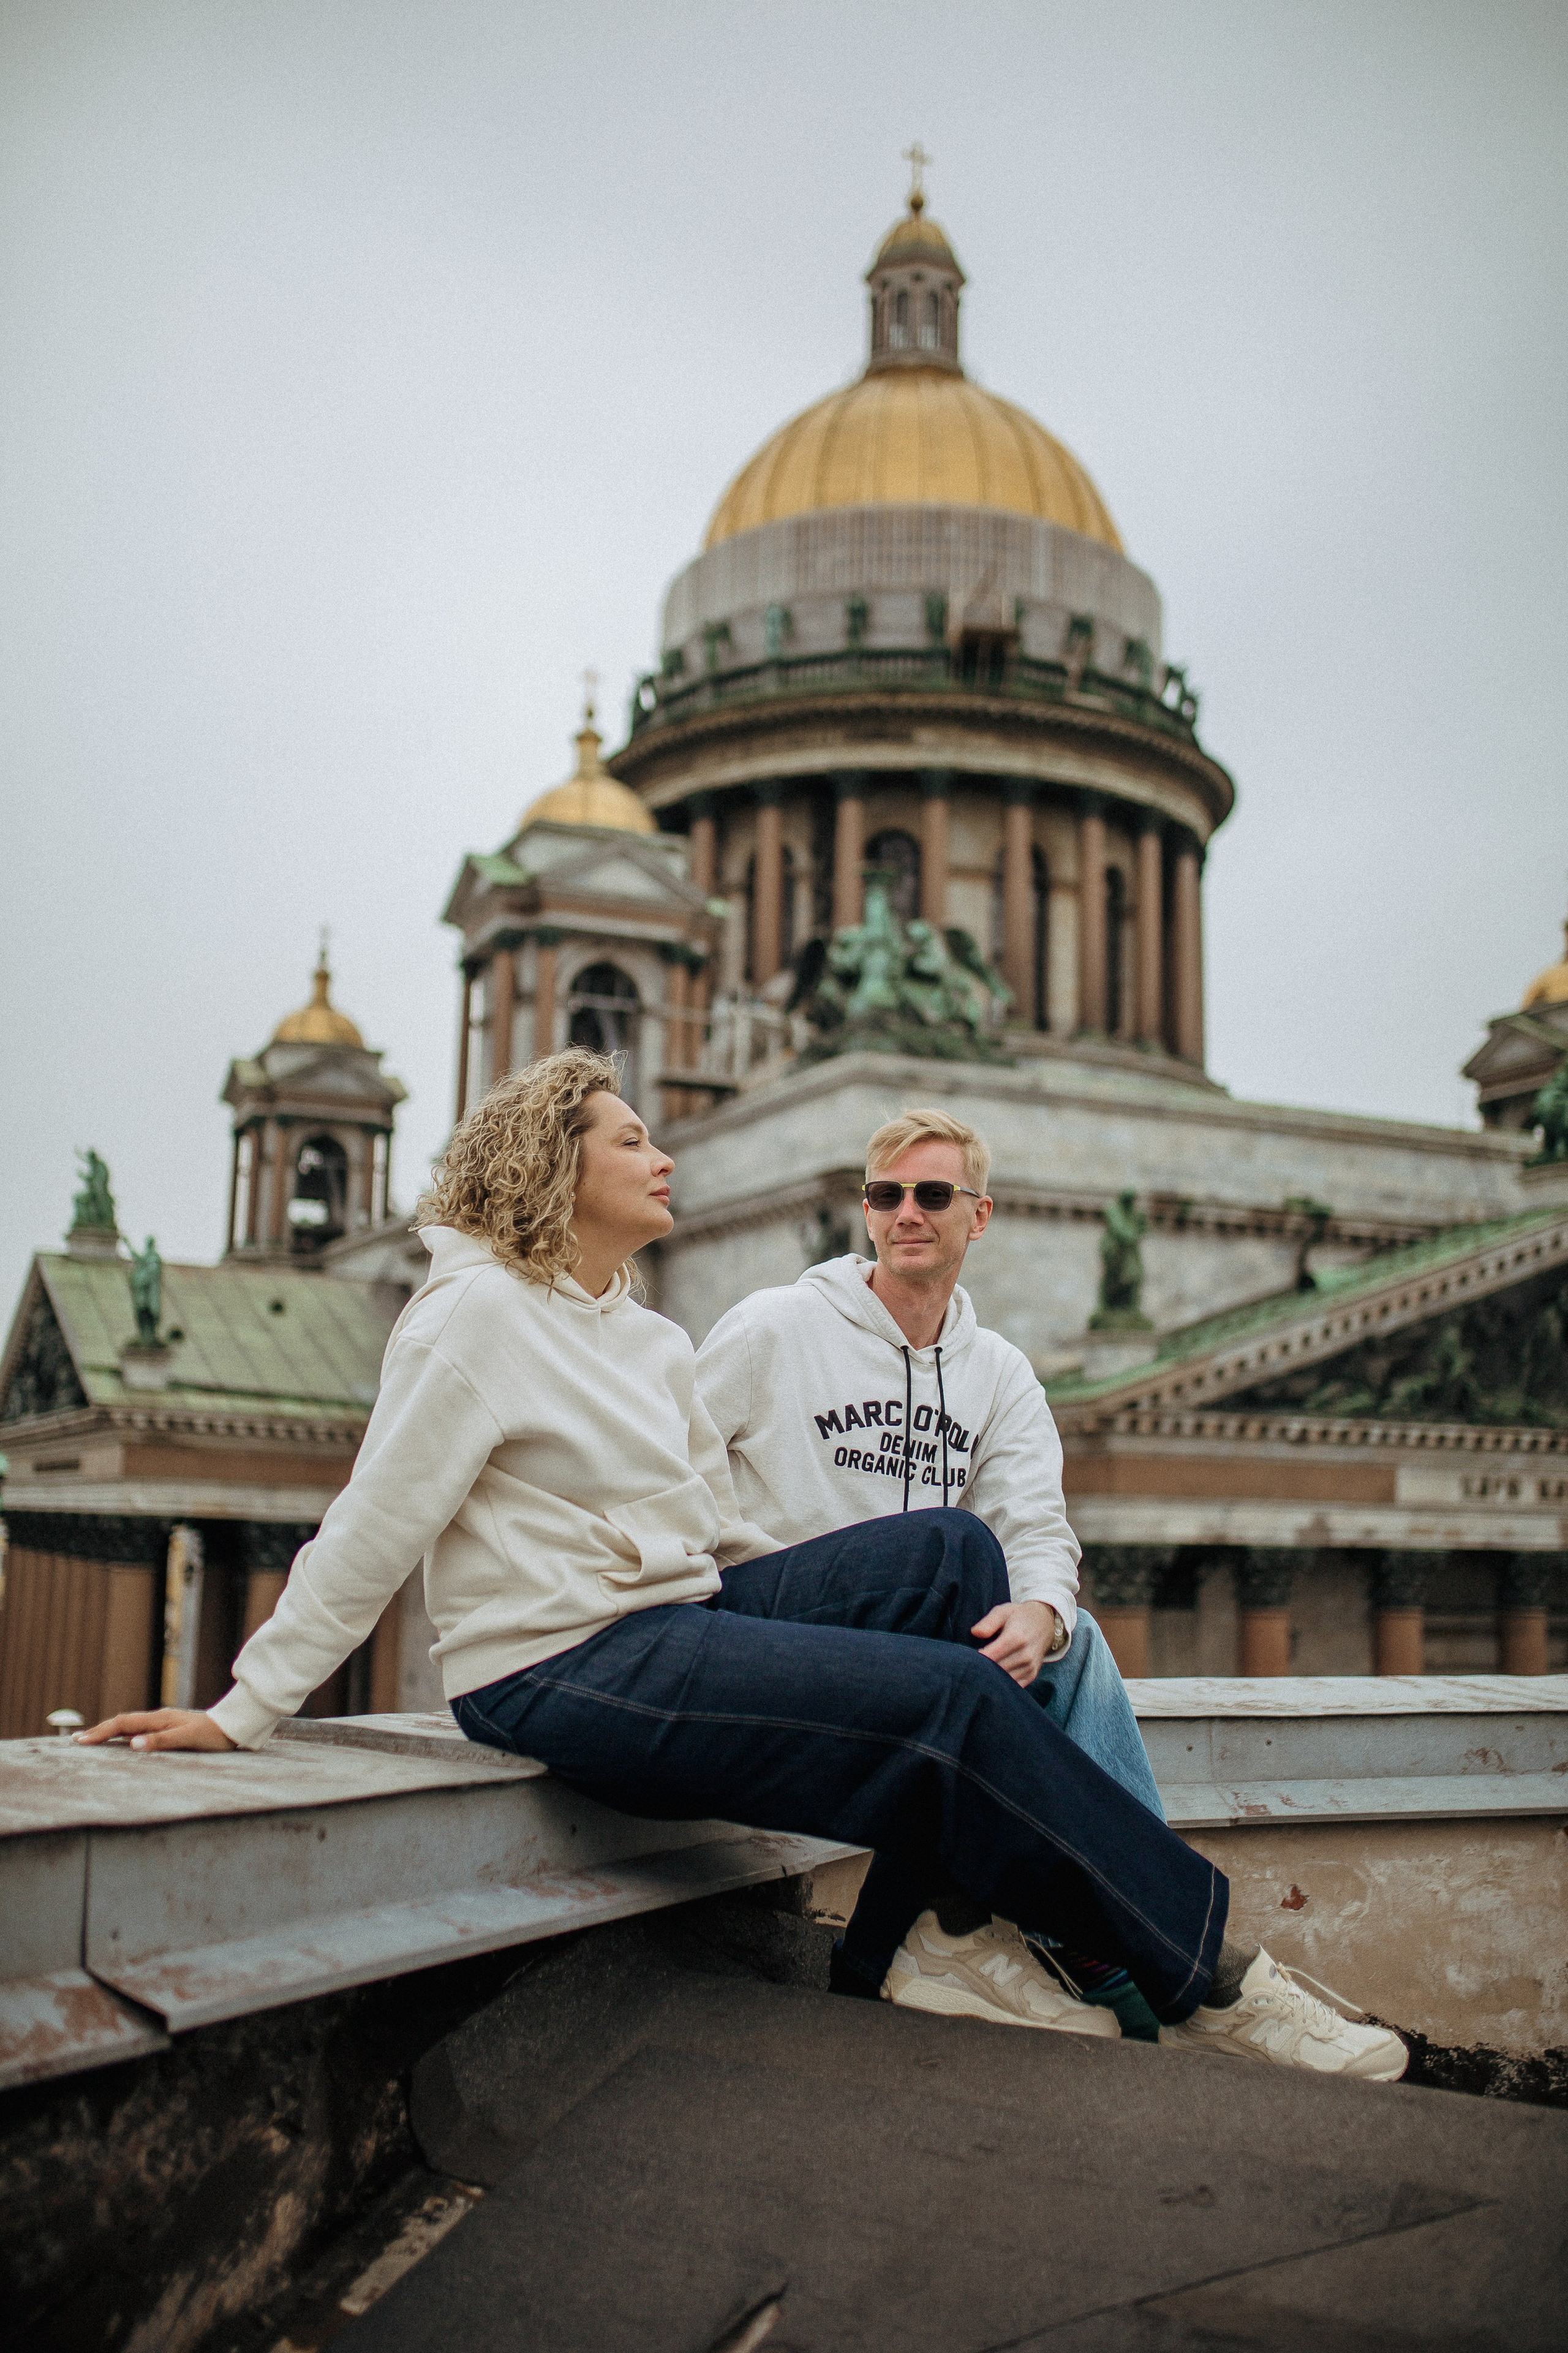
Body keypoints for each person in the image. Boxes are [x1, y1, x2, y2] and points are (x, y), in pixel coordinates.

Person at [78, 1051, 1406, 2082]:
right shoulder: (472, 1317)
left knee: (952, 1550)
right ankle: (1213, 1983)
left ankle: (937, 1934)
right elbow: (375, 1520)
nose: (664, 1155)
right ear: (557, 1166)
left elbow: (711, 1529)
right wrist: (246, 1705)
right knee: (941, 1703)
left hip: (676, 1616)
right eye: (633, 1138)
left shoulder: (643, 1331)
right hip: (556, 1665)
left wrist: (831, 1633)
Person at [694, 1107, 1166, 2035]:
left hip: (910, 1642)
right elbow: (668, 1469)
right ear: (866, 1215)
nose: (908, 1211)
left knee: (1061, 1643)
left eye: (933, 1194)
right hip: (774, 1631)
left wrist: (1040, 1612)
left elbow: (1036, 1520)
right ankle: (1127, 1930)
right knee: (953, 1551)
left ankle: (1074, 1927)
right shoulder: (775, 1326)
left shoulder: (998, 1372)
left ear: (978, 1217)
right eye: (887, 1195)